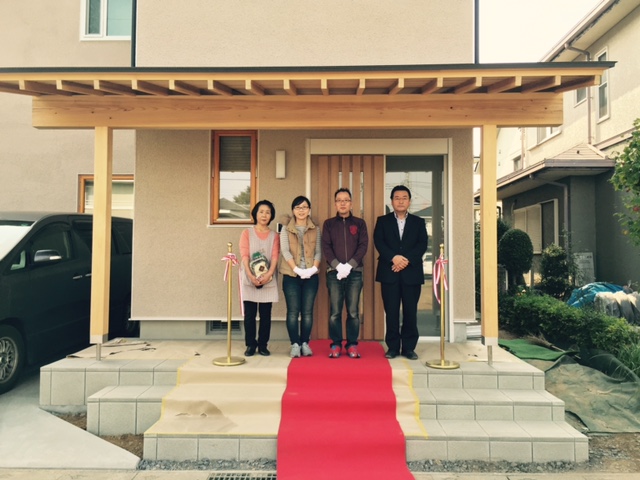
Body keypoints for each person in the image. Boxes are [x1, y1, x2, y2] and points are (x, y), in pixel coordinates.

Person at [373, 185, 428, 360]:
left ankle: (409, 348)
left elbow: (422, 244)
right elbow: (379, 242)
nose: (401, 201)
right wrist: (394, 258)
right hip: (389, 273)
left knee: (411, 312)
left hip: (411, 274)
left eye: (404, 198)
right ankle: (393, 347)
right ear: (392, 201)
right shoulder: (383, 221)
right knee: (391, 312)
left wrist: (405, 260)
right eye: (397, 198)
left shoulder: (418, 222)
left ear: (409, 201)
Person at [321, 187, 369, 359]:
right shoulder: (328, 224)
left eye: (346, 200)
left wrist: (349, 266)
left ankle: (352, 345)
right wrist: (337, 266)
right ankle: (335, 344)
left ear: (351, 203)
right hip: (333, 274)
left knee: (353, 311)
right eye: (339, 200)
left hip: (354, 273)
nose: (343, 203)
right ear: (335, 204)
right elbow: (326, 247)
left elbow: (363, 246)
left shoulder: (360, 223)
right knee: (335, 311)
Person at [279, 195, 322, 358]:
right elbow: (285, 251)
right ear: (293, 210)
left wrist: (313, 269)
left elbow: (318, 251)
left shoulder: (315, 228)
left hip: (311, 275)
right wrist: (296, 269)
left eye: (304, 207)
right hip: (291, 275)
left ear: (309, 210)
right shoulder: (286, 228)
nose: (301, 210)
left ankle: (305, 343)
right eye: (298, 207)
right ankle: (295, 344)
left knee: (307, 312)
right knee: (292, 311)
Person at [239, 200, 280, 357]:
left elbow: (275, 257)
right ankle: (250, 344)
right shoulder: (246, 233)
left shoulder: (274, 236)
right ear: (255, 214)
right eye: (261, 211)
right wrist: (251, 275)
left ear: (271, 216)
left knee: (265, 315)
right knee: (249, 315)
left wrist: (268, 275)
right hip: (249, 277)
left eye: (268, 212)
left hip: (268, 279)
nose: (264, 215)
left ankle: (263, 345)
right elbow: (244, 255)